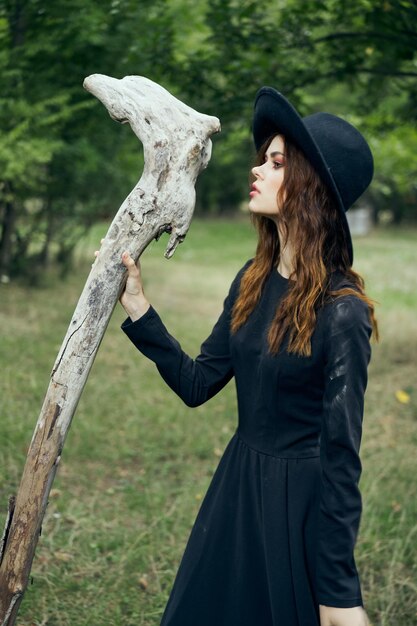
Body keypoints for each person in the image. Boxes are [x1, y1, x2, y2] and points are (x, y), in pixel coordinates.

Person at [108, 87, 379, 626]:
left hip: (294, 506)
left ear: (310, 188)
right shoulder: (252, 281)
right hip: (236, 490)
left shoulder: (343, 312)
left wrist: (338, 593)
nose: (258, 168)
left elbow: (341, 460)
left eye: (276, 162)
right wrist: (139, 307)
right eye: (264, 157)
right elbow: (197, 383)